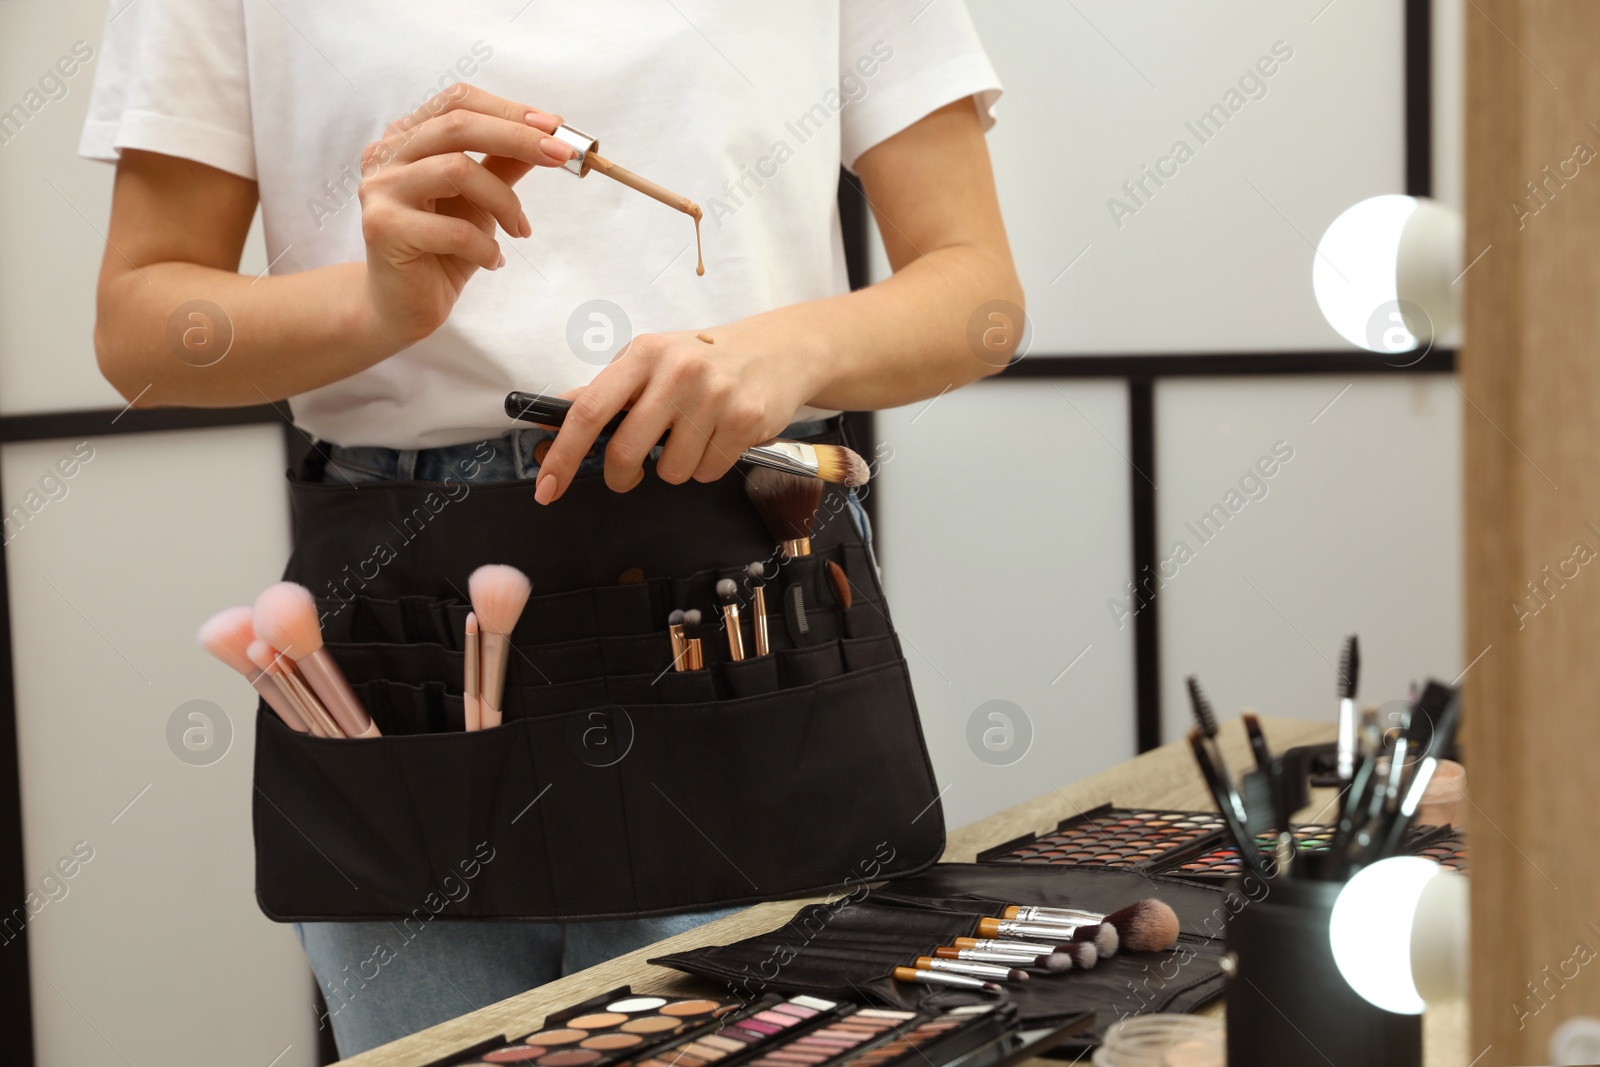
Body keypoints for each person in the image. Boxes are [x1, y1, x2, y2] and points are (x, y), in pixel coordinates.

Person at [82, 0, 1021, 1055]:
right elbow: (138, 328)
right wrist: (373, 306)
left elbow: (978, 290)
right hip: (409, 636)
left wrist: (785, 353)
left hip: (748, 588)